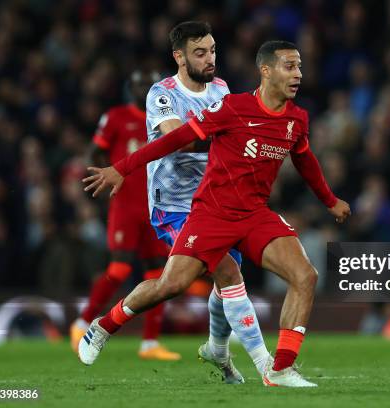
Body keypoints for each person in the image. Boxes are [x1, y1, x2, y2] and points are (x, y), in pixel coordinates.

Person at [80, 40, 351, 388]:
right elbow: (173, 140)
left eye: (299, 66)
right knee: (172, 284)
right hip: (211, 214)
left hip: (254, 214)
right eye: (289, 66)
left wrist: (329, 200)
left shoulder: (297, 118)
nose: (298, 74)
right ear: (266, 71)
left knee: (304, 275)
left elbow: (304, 158)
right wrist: (121, 168)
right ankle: (104, 326)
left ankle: (279, 369)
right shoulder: (232, 108)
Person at [143, 21, 271, 382]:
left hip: (218, 203)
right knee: (226, 270)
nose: (210, 57)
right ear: (179, 56)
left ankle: (219, 354)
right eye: (200, 52)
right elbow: (179, 140)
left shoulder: (221, 88)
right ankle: (267, 365)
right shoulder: (161, 94)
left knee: (225, 279)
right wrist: (225, 136)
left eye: (212, 50)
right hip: (173, 204)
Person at [70, 70, 180, 361]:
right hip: (125, 206)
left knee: (159, 273)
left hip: (156, 206)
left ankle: (149, 343)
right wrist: (108, 178)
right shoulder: (116, 116)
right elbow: (94, 153)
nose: (144, 89)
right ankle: (83, 322)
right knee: (119, 269)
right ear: (130, 88)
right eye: (139, 84)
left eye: (149, 85)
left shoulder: (166, 118)